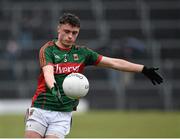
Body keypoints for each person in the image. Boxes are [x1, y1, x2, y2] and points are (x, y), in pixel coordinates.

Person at [24, 13, 163, 138]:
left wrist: (143, 69)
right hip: (41, 108)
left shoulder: (83, 53)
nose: (70, 36)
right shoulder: (48, 49)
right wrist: (53, 87)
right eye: (66, 31)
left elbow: (114, 63)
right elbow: (48, 72)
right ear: (58, 29)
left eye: (74, 33)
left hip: (63, 114)